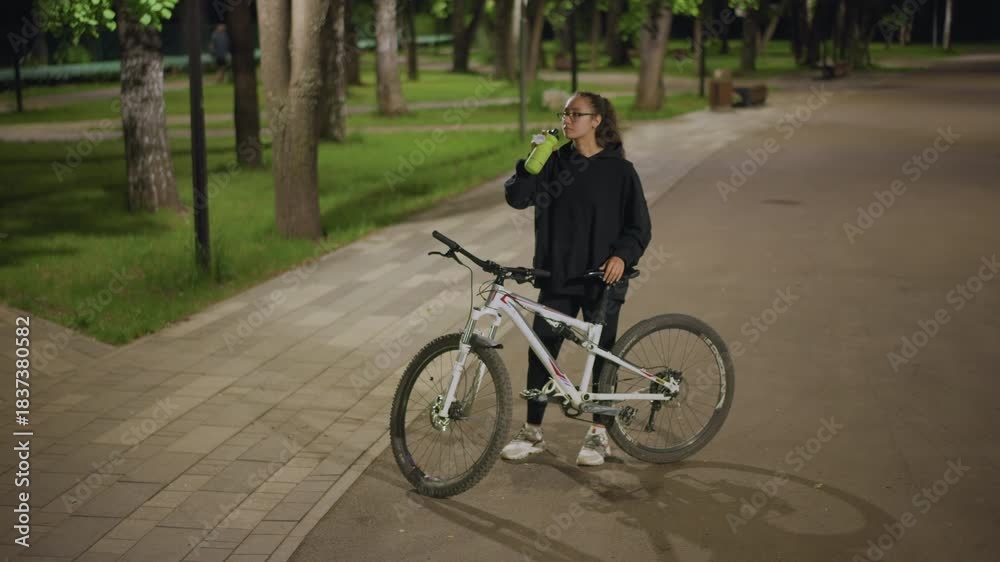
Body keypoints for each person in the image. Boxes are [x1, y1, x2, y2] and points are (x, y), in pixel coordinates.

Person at [501, 91, 652, 467]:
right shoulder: (553, 163)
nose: (566, 120)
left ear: (596, 120)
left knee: (602, 354)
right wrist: (530, 163)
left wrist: (621, 256)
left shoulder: (620, 172)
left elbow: (639, 227)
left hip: (603, 278)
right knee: (543, 348)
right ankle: (533, 430)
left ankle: (599, 433)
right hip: (558, 275)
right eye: (564, 114)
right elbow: (517, 198)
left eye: (575, 114)